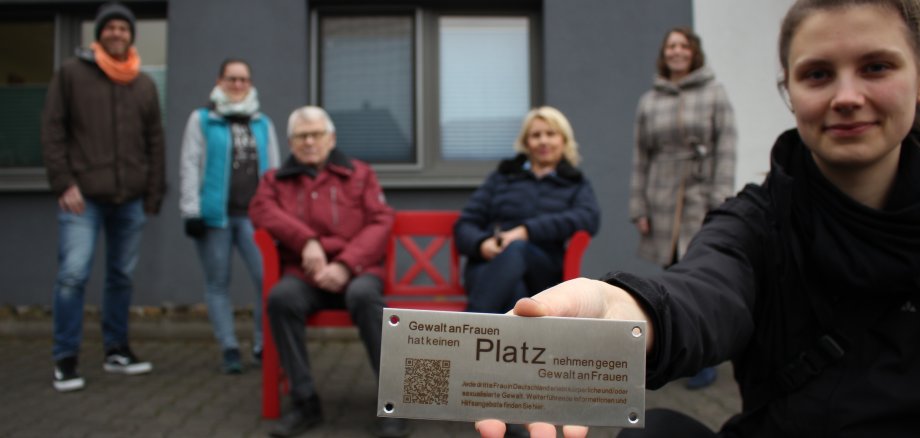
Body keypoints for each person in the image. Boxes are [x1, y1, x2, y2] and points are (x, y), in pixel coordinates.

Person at [476, 0, 920, 436]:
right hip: (661, 202)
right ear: (790, 89)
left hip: (695, 196)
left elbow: (719, 150)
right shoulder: (756, 221)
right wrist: (630, 310)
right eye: (819, 74)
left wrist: (525, 232)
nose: (846, 97)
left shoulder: (711, 97)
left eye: (876, 67)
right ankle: (481, 352)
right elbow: (706, 284)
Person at [249, 106, 409, 438]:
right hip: (306, 275)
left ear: (331, 138)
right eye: (301, 136)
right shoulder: (274, 180)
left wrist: (345, 263)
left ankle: (395, 404)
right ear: (291, 142)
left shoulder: (360, 174)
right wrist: (306, 240)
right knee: (280, 298)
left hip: (358, 272)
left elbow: (382, 220)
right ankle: (305, 402)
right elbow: (261, 209)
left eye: (316, 134)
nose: (309, 142)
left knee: (365, 297)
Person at [41, 2, 164, 393]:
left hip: (129, 198)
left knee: (121, 277)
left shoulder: (143, 83)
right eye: (109, 28)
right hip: (83, 198)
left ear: (131, 36)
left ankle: (117, 350)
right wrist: (63, 183)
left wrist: (153, 191)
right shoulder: (71, 74)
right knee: (73, 275)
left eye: (123, 29)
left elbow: (155, 140)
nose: (116, 33)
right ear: (98, 35)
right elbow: (52, 130)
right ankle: (65, 359)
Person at [629, 27, 737, 390]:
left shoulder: (714, 93)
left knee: (702, 271)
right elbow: (641, 156)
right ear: (665, 53)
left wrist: (720, 199)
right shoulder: (650, 100)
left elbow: (726, 148)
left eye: (683, 45)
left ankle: (707, 357)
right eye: (670, 46)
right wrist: (638, 205)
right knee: (670, 274)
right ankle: (679, 350)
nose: (676, 51)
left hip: (699, 193)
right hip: (661, 193)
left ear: (693, 52)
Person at [179, 58, 280, 374]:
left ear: (250, 84)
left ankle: (262, 345)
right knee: (218, 282)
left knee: (267, 281)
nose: (238, 85)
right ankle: (229, 347)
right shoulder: (202, 120)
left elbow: (274, 170)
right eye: (232, 79)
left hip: (255, 218)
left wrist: (276, 212)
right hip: (214, 218)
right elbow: (189, 164)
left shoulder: (263, 122)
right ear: (219, 80)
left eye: (244, 80)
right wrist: (190, 210)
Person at [454, 106, 601, 315]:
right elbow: (465, 224)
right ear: (526, 143)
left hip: (543, 269)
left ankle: (468, 326)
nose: (543, 141)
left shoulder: (574, 182)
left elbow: (588, 217)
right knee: (516, 291)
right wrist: (482, 245)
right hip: (490, 264)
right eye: (536, 135)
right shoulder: (503, 177)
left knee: (518, 249)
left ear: (563, 141)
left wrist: (526, 231)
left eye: (551, 134)